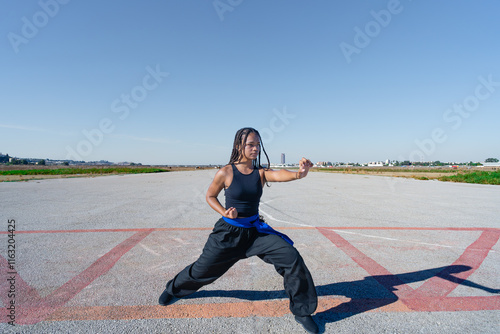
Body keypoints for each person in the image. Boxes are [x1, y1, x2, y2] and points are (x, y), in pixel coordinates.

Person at [159, 127, 319, 333]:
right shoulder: (226, 172)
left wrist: (299, 174)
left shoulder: (260, 172)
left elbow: (279, 174)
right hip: (229, 234)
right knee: (202, 270)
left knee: (291, 257)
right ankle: (173, 289)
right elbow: (210, 196)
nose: (255, 148)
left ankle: (302, 311)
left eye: (258, 145)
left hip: (255, 232)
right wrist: (224, 212)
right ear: (238, 146)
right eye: (250, 144)